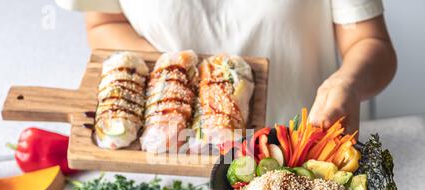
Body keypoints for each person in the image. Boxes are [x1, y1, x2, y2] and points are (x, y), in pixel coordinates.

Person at [57, 0, 396, 133]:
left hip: (292, 152)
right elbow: (103, 24)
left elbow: (370, 44)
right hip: (165, 154)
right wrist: (175, 74)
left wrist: (347, 83)